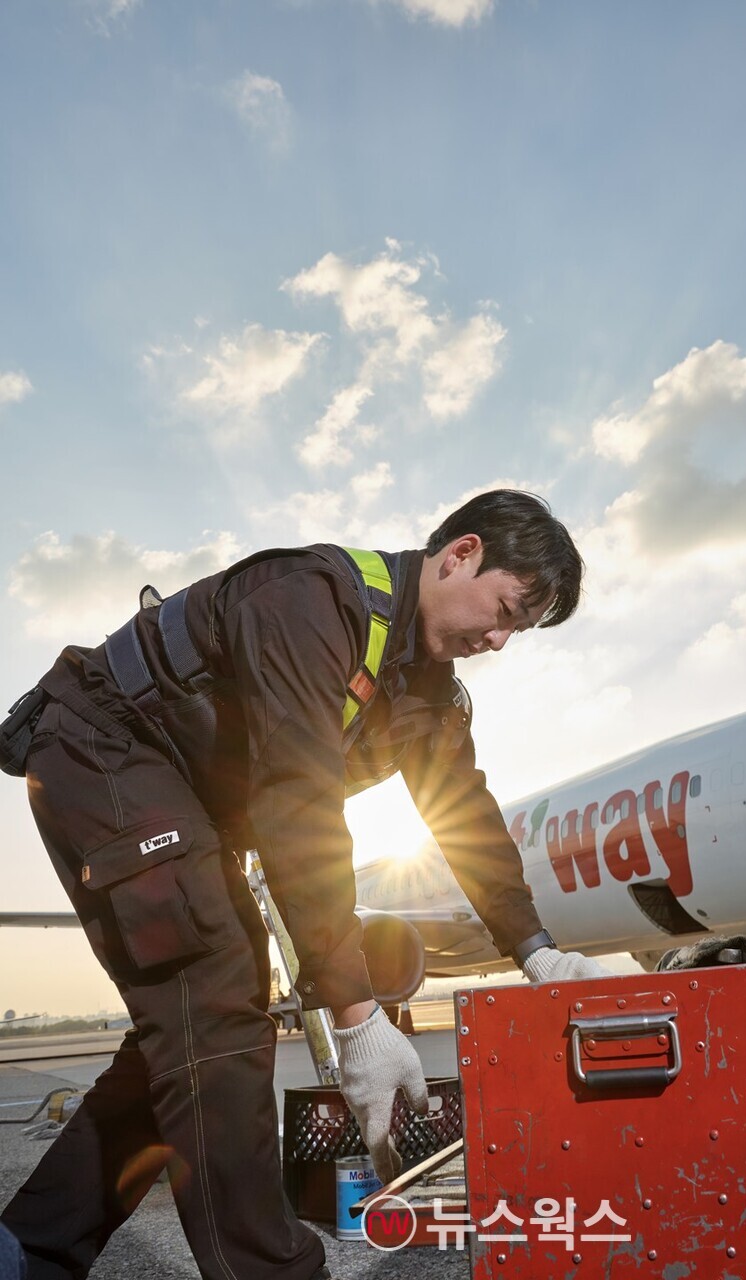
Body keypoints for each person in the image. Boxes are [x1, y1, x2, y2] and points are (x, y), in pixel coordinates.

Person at [0, 489, 604, 1280]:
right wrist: (356, 1015)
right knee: (216, 987)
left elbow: (468, 820)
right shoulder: (309, 602)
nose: (496, 639)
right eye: (503, 611)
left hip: (192, 803)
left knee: (185, 1033)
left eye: (515, 632)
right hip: (104, 746)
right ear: (460, 553)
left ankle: (28, 1251)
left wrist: (537, 952)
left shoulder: (428, 693)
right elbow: (298, 802)